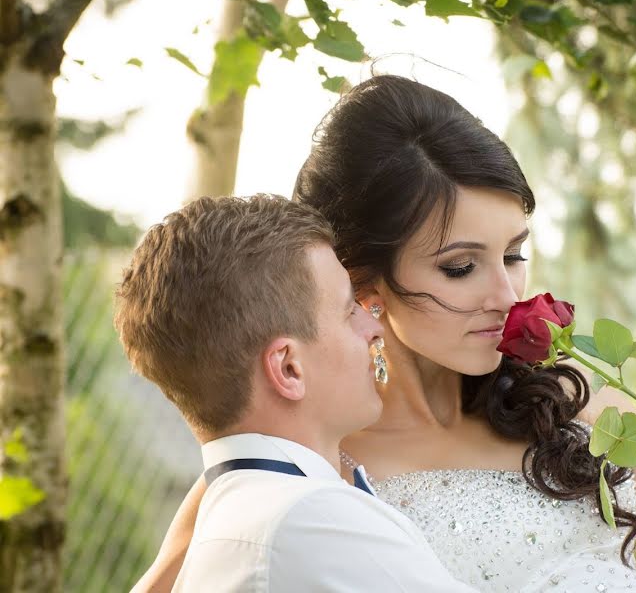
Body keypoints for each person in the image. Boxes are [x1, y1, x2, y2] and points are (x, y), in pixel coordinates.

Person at [139, 77, 636, 592]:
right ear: (361, 278)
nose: (506, 295)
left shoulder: (574, 408)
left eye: (515, 253)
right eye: (460, 267)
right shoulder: (292, 477)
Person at [117, 195, 473, 592]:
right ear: (288, 368)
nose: (375, 329)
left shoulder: (235, 515)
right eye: (347, 310)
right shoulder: (311, 519)